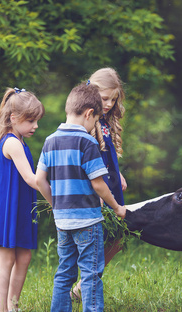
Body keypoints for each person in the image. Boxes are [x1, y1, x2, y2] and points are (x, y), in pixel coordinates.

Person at [36, 82, 126, 312]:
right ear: (88, 113)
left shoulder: (50, 141)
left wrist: (56, 204)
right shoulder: (87, 142)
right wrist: (117, 207)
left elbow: (39, 180)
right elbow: (98, 184)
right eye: (95, 120)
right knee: (90, 274)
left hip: (63, 222)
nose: (93, 126)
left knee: (64, 273)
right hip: (87, 221)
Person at [0, 87, 45, 312]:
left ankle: (12, 306)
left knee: (24, 257)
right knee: (6, 260)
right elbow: (31, 178)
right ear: (13, 118)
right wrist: (57, 193)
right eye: (31, 120)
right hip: (7, 209)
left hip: (19, 207)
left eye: (36, 120)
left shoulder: (19, 139)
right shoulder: (11, 143)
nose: (35, 126)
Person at [71, 68, 128, 300]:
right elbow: (84, 158)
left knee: (117, 236)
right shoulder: (85, 120)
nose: (109, 103)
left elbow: (108, 152)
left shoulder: (105, 120)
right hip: (94, 185)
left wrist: (117, 173)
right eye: (105, 98)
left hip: (109, 180)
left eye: (113, 99)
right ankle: (82, 287)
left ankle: (85, 284)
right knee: (95, 238)